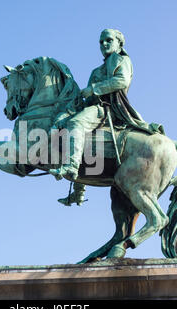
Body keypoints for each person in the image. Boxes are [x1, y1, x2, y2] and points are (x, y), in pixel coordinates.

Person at [51, 29, 163, 205]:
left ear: (119, 43)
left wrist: (93, 89)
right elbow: (88, 100)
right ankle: (79, 192)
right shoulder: (97, 70)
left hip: (107, 108)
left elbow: (122, 81)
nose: (103, 44)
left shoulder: (122, 60)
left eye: (108, 40)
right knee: (76, 132)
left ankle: (71, 166)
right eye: (101, 42)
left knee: (76, 124)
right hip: (94, 107)